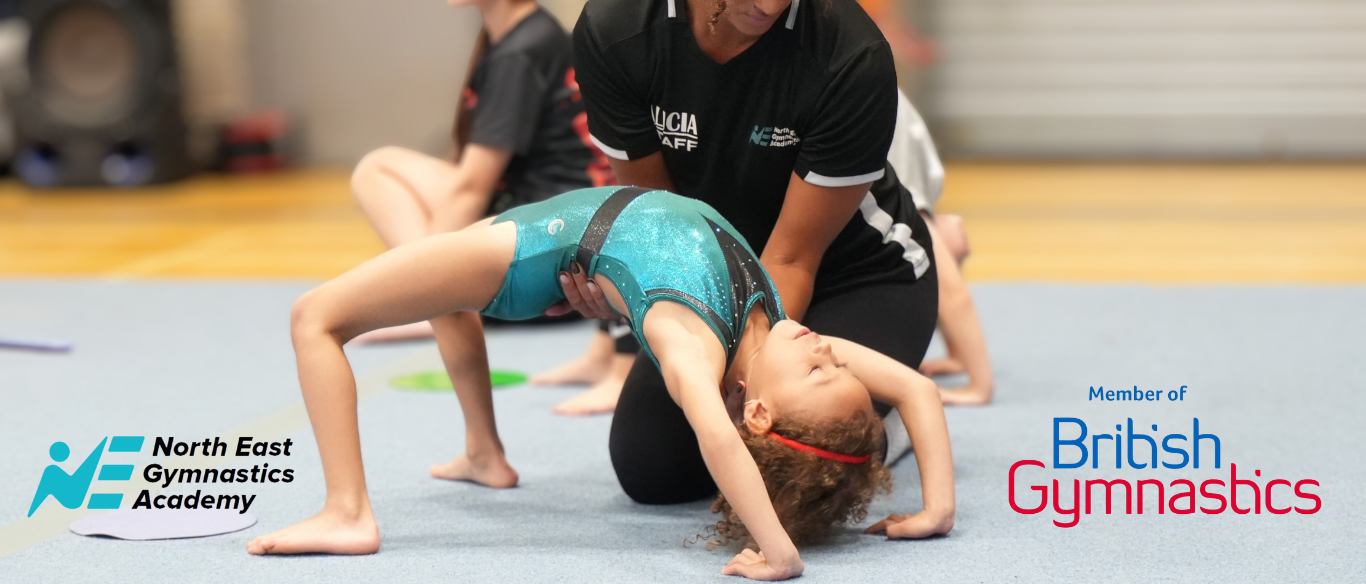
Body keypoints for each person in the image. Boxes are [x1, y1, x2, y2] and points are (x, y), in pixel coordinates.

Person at [245, 186, 955, 579]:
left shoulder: (693, 346)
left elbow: (714, 431)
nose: (827, 350)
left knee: (317, 317)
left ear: (761, 414)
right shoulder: (775, 336)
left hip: (539, 250)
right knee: (439, 285)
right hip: (562, 226)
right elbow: (919, 391)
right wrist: (936, 510)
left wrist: (780, 550)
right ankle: (482, 452)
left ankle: (347, 512)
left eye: (818, 369)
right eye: (834, 363)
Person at [539, 0, 941, 497]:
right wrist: (623, 296)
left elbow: (792, 261)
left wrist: (740, 381)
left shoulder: (849, 57)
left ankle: (877, 423)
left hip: (857, 275)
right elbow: (658, 228)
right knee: (651, 468)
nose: (771, 0)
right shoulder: (617, 35)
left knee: (801, 461)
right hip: (718, 277)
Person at [349, 0, 611, 346]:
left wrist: (399, 284)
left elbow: (471, 187)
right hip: (553, 237)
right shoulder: (519, 38)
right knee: (386, 169)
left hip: (547, 259)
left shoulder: (521, 52)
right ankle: (430, 297)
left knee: (376, 171)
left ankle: (427, 298)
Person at [888, 89, 994, 405]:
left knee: (933, 245)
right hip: (915, 177)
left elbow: (954, 295)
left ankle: (977, 375)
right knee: (945, 236)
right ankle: (959, 353)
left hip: (904, 176)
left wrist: (979, 386)